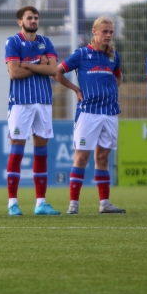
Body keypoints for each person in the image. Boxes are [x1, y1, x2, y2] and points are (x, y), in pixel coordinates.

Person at [55, 16, 126, 214]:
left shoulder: (113, 56)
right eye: (105, 31)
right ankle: (73, 204)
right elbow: (58, 72)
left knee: (103, 157)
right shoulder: (81, 54)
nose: (108, 35)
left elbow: (119, 76)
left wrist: (111, 87)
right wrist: (76, 90)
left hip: (110, 112)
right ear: (94, 32)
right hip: (88, 113)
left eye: (111, 32)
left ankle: (105, 203)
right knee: (81, 157)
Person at [4, 6, 60, 216]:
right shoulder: (13, 42)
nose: (34, 20)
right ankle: (12, 203)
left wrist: (28, 64)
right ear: (20, 21)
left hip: (43, 102)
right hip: (21, 102)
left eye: (36, 17)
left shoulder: (46, 42)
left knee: (41, 152)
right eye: (29, 18)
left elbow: (53, 69)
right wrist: (39, 63)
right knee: (17, 149)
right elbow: (14, 72)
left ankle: (41, 203)